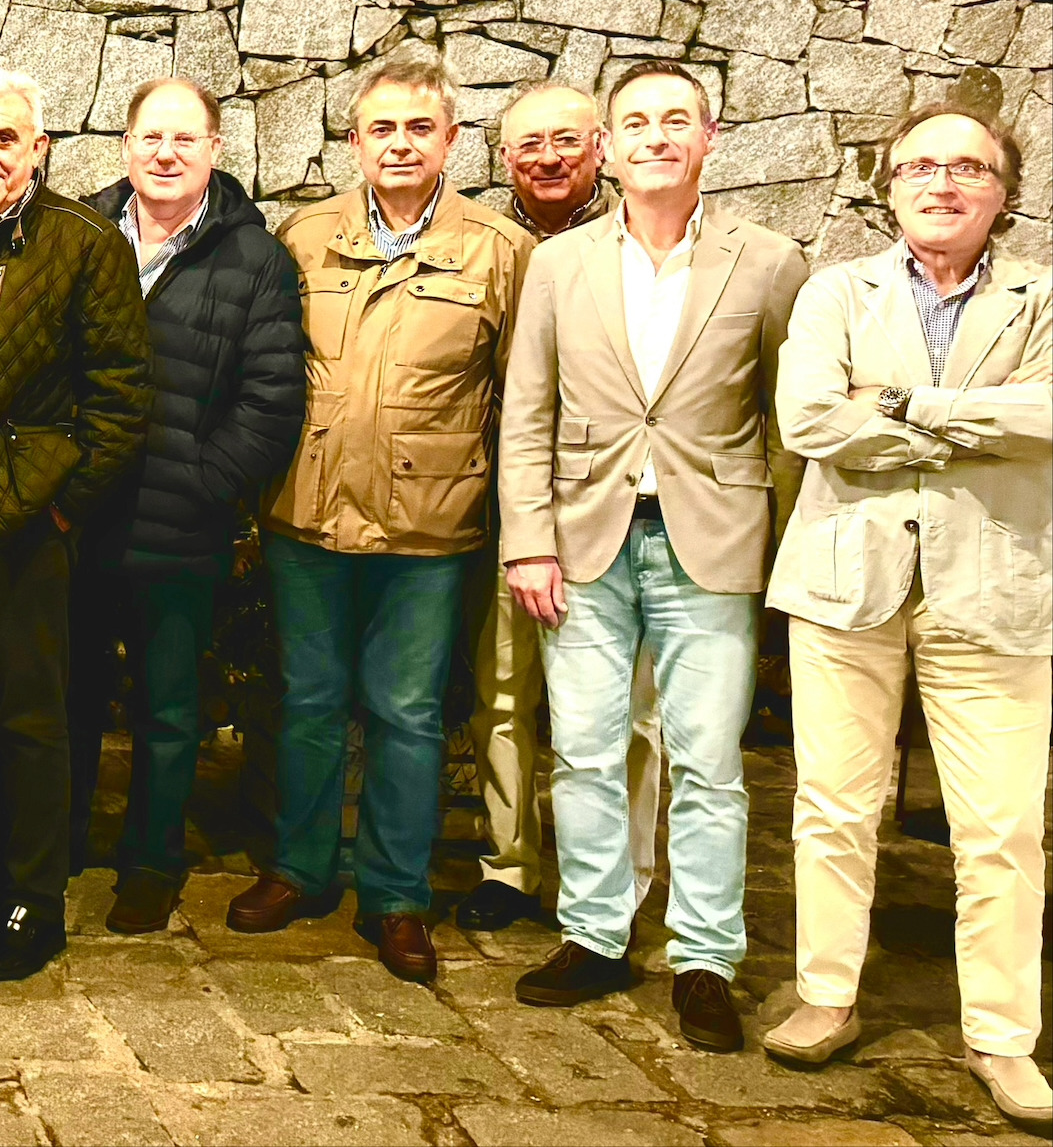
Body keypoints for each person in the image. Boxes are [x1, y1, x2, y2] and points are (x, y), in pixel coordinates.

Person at [498, 60, 807, 1053]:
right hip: (581, 538)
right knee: (584, 748)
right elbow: (526, 409)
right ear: (609, 146)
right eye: (635, 122)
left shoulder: (767, 262)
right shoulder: (560, 264)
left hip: (709, 540)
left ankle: (703, 956)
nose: (656, 137)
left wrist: (777, 546)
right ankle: (594, 934)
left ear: (708, 138)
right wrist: (527, 540)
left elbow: (787, 418)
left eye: (676, 120)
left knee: (707, 759)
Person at [762, 105, 1050, 1125]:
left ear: (1001, 193)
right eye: (919, 166)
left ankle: (1002, 1037)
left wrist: (900, 403)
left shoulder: (1040, 295)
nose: (941, 182)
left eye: (967, 166)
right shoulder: (836, 291)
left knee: (1002, 826)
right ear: (887, 187)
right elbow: (808, 418)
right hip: (846, 581)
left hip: (997, 587)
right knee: (832, 804)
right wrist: (980, 425)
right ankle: (824, 995)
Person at [230, 51, 530, 987]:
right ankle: (300, 867)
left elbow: (521, 398)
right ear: (354, 141)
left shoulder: (498, 250)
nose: (399, 143)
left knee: (406, 711)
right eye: (381, 128)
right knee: (309, 700)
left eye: (418, 127)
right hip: (307, 513)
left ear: (451, 139)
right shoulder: (303, 236)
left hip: (427, 527)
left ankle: (396, 893)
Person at [0, 66, 150, 982]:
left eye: (2, 139)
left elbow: (120, 399)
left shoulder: (83, 242)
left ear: (38, 147)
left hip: (24, 518)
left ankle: (33, 900)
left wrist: (59, 503)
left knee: (31, 714)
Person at [82, 77, 304, 934]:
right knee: (66, 695)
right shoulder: (82, 232)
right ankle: (57, 841)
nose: (165, 153)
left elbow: (271, 401)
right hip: (75, 519)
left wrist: (203, 484)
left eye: (184, 138)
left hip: (179, 526)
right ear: (126, 145)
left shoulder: (254, 259)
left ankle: (150, 862)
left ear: (214, 148)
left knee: (168, 711)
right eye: (150, 137)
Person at [459, 82, 664, 933]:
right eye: (528, 145)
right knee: (502, 693)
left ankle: (621, 877)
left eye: (566, 141)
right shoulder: (482, 245)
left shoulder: (643, 238)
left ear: (600, 147)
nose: (547, 158)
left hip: (618, 509)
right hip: (505, 505)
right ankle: (508, 864)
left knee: (631, 711)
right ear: (503, 156)